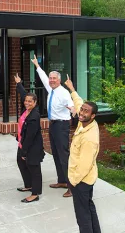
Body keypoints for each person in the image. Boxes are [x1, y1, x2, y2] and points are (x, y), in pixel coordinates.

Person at [30, 54, 74, 197]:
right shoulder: (51, 90)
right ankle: (62, 181)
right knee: (55, 153)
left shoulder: (63, 93)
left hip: (62, 126)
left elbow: (71, 105)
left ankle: (71, 187)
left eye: (54, 78)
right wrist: (37, 66)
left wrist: (73, 110)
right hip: (53, 126)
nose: (51, 80)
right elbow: (43, 78)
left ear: (59, 80)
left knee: (63, 156)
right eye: (51, 78)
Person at [64, 75, 101, 233]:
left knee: (82, 216)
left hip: (82, 180)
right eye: (82, 110)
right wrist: (72, 89)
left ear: (92, 116)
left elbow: (84, 165)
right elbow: (79, 103)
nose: (82, 112)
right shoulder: (84, 120)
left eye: (86, 111)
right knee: (88, 207)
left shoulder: (89, 138)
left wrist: (73, 181)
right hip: (86, 179)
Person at [14, 73, 45, 203]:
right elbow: (24, 95)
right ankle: (28, 185)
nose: (26, 103)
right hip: (22, 143)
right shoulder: (27, 110)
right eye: (26, 101)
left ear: (35, 103)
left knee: (34, 168)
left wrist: (24, 151)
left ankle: (35, 193)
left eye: (29, 101)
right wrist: (19, 83)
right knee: (21, 163)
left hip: (31, 147)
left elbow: (31, 137)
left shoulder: (34, 116)